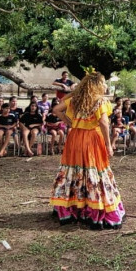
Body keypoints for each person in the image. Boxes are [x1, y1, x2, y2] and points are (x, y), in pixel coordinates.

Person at [49, 70, 124, 229]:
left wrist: (71, 124)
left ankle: (72, 206)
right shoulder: (100, 101)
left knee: (74, 170)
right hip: (92, 140)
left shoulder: (75, 99)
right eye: (103, 82)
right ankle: (92, 207)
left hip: (75, 138)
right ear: (97, 85)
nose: (105, 85)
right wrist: (109, 145)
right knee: (93, 171)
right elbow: (104, 123)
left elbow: (56, 110)